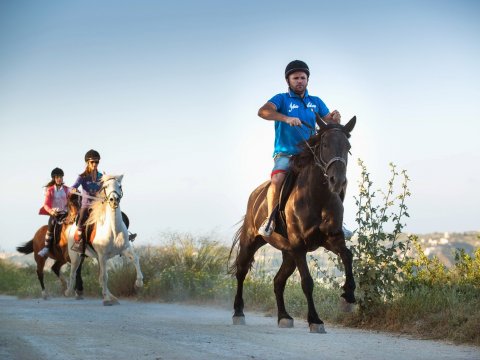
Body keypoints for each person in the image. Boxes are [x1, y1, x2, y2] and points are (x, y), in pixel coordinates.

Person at [257, 60, 342, 237]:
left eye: (303, 77)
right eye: (295, 78)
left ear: (307, 80)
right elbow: (263, 111)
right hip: (286, 152)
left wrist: (335, 118)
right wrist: (286, 118)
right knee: (278, 178)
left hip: (311, 154)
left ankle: (338, 220)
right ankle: (270, 220)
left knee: (336, 176)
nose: (299, 81)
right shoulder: (281, 99)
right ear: (288, 80)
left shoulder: (316, 102)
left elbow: (330, 122)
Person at [70, 149, 103, 253]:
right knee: (80, 221)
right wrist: (74, 189)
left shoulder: (101, 176)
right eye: (92, 162)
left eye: (96, 162)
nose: (94, 164)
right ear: (87, 162)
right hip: (86, 206)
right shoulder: (82, 177)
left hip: (99, 206)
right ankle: (79, 243)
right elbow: (72, 187)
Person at [38, 168, 70, 257]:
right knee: (51, 224)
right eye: (57, 177)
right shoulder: (50, 190)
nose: (59, 179)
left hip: (66, 214)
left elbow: (74, 193)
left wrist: (76, 191)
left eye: (61, 177)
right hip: (55, 214)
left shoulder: (67, 189)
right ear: (54, 179)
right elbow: (46, 205)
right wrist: (51, 211)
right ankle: (47, 248)